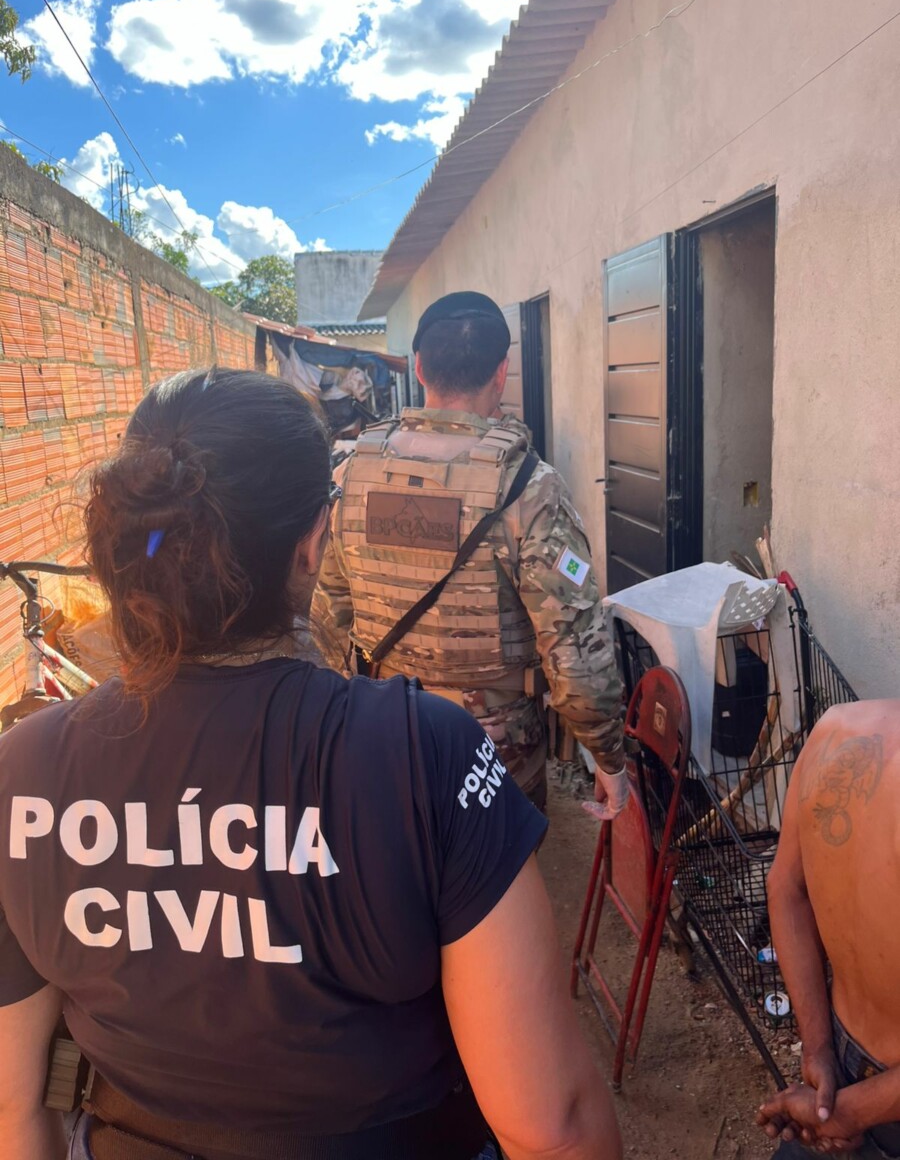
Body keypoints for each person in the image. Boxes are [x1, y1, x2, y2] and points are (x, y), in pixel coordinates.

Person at [0, 368, 623, 1160]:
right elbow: (551, 1127)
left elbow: (14, 1108)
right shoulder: (422, 755)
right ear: (310, 545)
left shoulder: (22, 769)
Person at [314, 291, 626, 816]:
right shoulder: (530, 487)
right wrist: (608, 758)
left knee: (401, 861)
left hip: (384, 731)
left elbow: (329, 614)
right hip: (496, 750)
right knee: (502, 866)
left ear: (418, 367)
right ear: (501, 373)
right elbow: (574, 647)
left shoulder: (351, 474)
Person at [758, 700, 900, 1158]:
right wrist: (852, 1112)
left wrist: (818, 1049)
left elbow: (785, 889)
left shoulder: (834, 728)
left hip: (840, 1054)